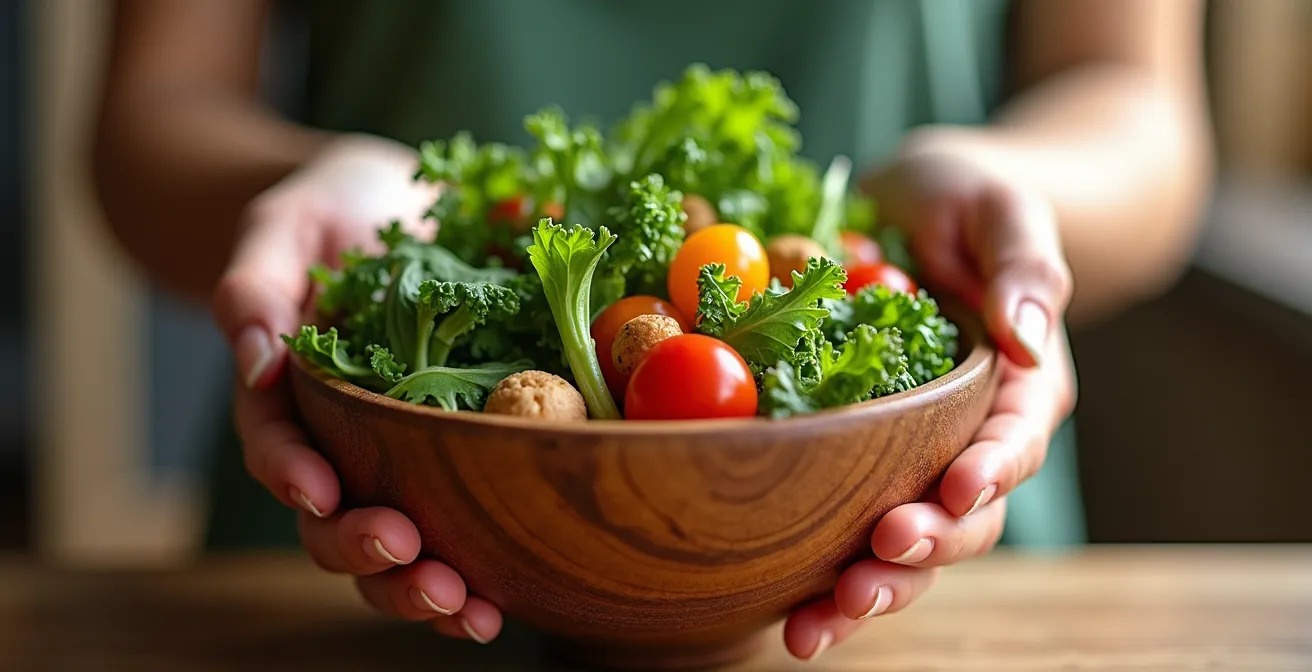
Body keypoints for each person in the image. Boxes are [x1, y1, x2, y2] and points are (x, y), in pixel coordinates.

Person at [91, 0, 1210, 661]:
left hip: (909, 514)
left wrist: (1004, 193)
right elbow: (150, 116)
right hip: (372, 500)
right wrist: (307, 196)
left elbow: (1134, 100)